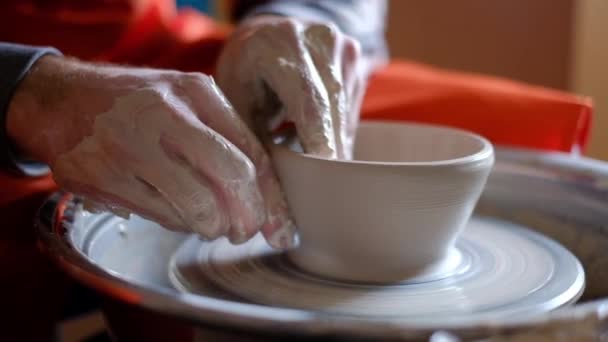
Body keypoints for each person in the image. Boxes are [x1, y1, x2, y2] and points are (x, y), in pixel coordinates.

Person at [0, 1, 593, 340]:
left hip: (154, 54)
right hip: (23, 80)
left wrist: (296, 17)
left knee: (518, 129)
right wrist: (31, 93)